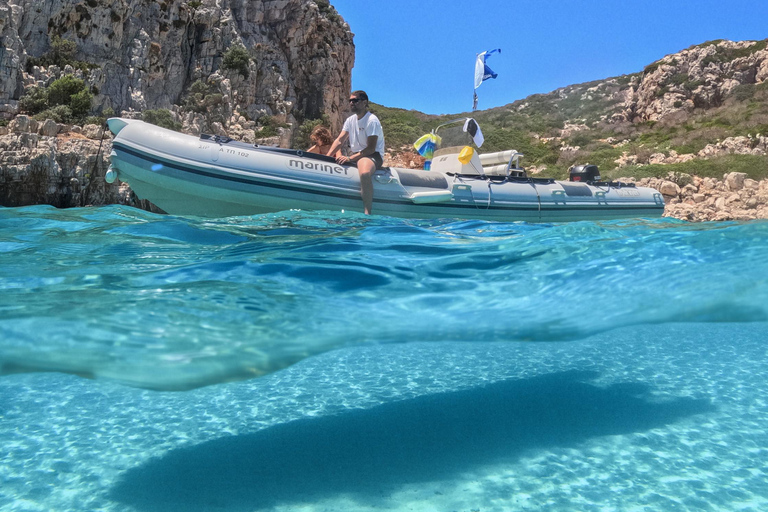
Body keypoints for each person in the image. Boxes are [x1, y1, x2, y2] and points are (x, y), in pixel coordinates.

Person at [325, 90, 385, 215]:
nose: (352, 103)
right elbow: (340, 140)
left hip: (372, 155)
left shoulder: (372, 121)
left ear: (364, 103)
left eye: (355, 100)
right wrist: (327, 157)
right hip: (357, 153)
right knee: (338, 154)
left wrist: (350, 159)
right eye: (350, 101)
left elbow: (371, 148)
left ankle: (367, 212)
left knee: (364, 173)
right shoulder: (350, 120)